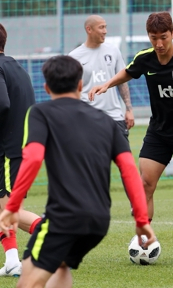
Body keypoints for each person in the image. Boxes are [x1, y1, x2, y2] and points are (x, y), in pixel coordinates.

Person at [0, 55, 155, 288]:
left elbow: (32, 160)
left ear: (46, 87)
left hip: (63, 219)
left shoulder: (40, 113)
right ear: (81, 85)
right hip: (99, 222)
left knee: (27, 284)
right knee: (60, 266)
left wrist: (11, 207)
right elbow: (129, 171)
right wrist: (141, 219)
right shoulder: (105, 121)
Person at [88, 11, 173, 262]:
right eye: (153, 38)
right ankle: (144, 239)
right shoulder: (145, 59)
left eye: (163, 37)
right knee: (144, 186)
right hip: (158, 133)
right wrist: (107, 84)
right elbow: (129, 71)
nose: (159, 44)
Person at [0, 23, 42, 277]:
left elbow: (2, 104)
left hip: (9, 150)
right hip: (24, 148)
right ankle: (13, 259)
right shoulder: (16, 66)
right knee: (7, 209)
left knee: (8, 210)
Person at [69, 15, 134, 137]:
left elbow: (122, 81)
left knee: (123, 156)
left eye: (105, 27)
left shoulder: (113, 50)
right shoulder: (74, 57)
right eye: (101, 27)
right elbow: (71, 91)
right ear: (89, 29)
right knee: (92, 156)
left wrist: (129, 109)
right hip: (88, 119)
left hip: (115, 117)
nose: (105, 31)